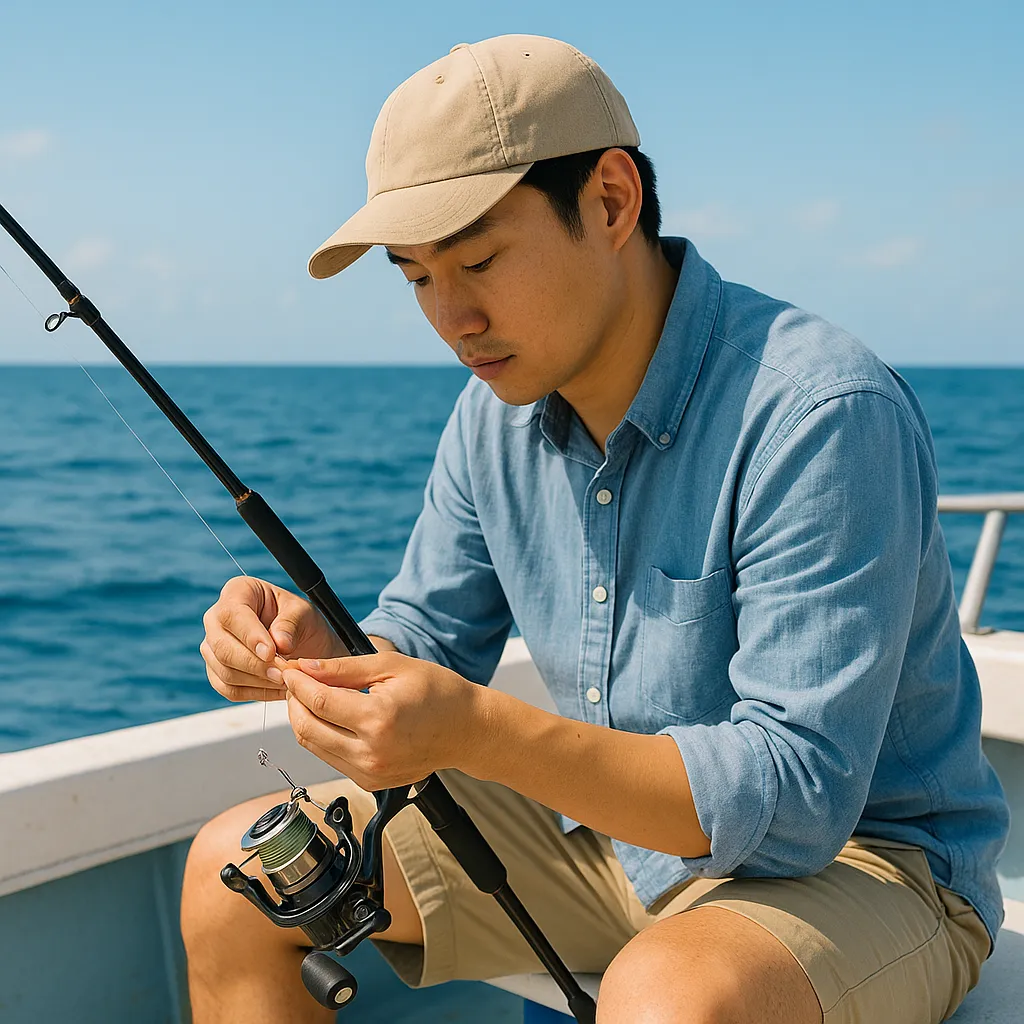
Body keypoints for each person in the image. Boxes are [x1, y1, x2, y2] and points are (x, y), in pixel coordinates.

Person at [180, 34, 1009, 1024]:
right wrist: (321, 654)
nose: (452, 317)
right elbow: (429, 637)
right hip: (608, 841)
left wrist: (476, 730)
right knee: (235, 875)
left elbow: (797, 798)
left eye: (478, 259)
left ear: (611, 202)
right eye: (414, 277)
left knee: (667, 993)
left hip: (867, 864)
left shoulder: (820, 408)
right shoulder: (489, 415)